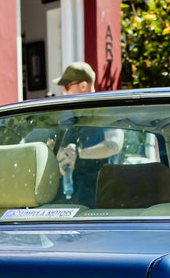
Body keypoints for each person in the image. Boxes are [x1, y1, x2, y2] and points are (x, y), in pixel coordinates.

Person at [52, 62, 123, 205]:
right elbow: (58, 148)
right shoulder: (67, 117)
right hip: (70, 196)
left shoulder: (105, 112)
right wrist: (61, 158)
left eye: (66, 86)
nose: (64, 92)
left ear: (83, 85)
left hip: (101, 195)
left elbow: (114, 145)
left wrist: (78, 154)